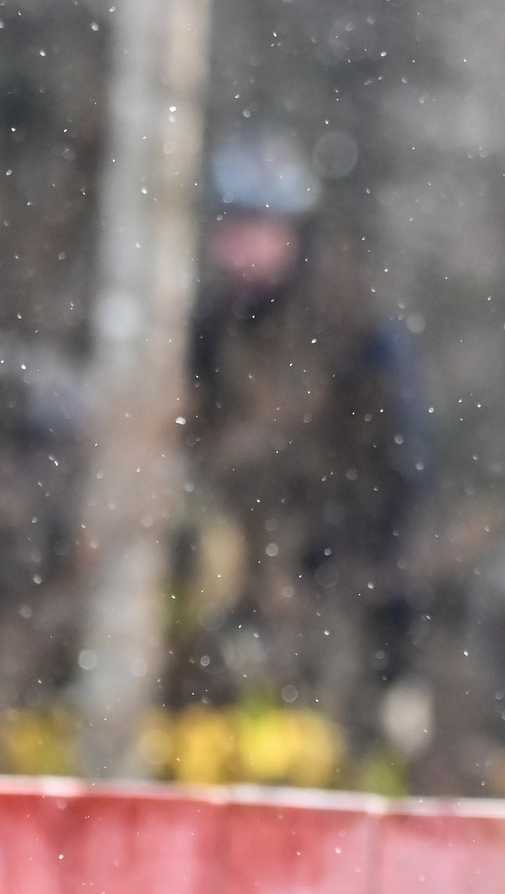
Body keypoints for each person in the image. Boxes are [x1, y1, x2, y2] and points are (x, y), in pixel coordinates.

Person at [177, 129, 431, 768]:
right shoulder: (211, 326)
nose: (240, 243)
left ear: (292, 231)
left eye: (256, 224)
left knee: (337, 738)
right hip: (245, 559)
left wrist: (340, 552)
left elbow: (399, 462)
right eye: (230, 224)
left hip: (337, 558)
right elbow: (194, 438)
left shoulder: (351, 324)